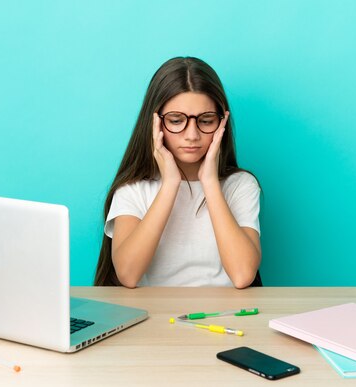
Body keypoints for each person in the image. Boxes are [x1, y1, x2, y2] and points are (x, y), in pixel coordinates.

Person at [94, 56, 261, 289]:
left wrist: (210, 182)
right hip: (155, 319)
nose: (191, 135)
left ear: (222, 123)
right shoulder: (133, 190)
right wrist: (170, 184)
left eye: (206, 120)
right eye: (176, 120)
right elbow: (128, 275)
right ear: (155, 122)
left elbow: (243, 275)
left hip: (221, 318)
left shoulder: (240, 185)